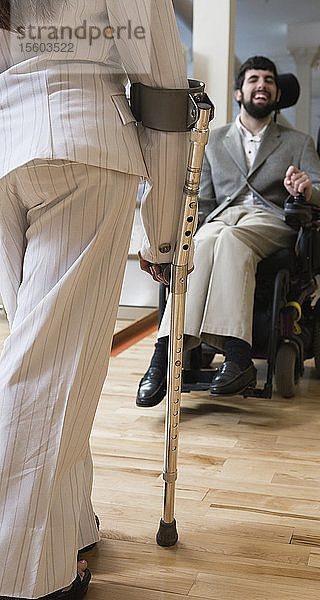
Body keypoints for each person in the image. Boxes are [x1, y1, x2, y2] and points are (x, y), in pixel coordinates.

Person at [0, 1, 189, 598]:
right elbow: (161, 86)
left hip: (7, 157)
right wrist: (165, 234)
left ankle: (70, 527)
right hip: (82, 144)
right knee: (49, 374)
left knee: (50, 365)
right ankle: (25, 576)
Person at [136, 55, 320, 408]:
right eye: (254, 79)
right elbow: (206, 202)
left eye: (270, 80)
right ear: (239, 93)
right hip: (222, 220)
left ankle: (237, 354)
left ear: (277, 93)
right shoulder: (213, 140)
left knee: (229, 238)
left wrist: (306, 187)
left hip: (269, 220)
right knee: (199, 243)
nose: (263, 85)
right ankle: (165, 353)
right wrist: (181, 237)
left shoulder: (297, 141)